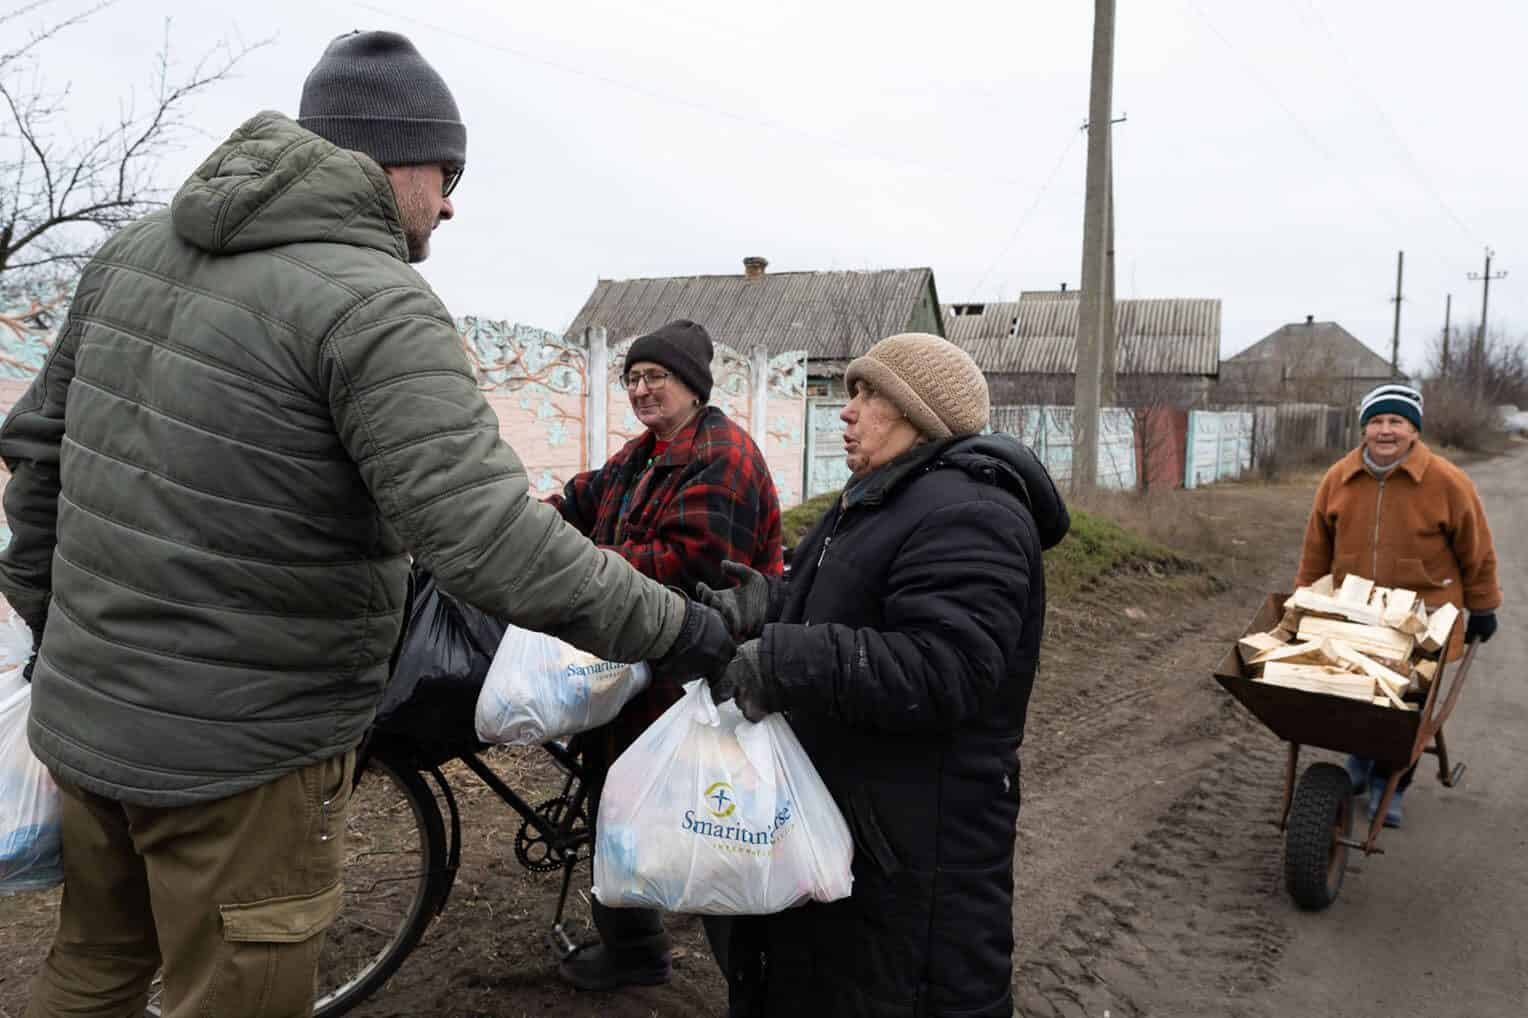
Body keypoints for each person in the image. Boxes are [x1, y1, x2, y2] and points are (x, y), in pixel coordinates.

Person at [0, 31, 732, 1018]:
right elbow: (485, 537)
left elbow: (38, 451)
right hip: (244, 762)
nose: (452, 202)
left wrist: (57, 631)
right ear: (397, 159)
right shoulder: (377, 302)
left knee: (91, 974)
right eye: (448, 172)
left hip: (87, 723)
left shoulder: (132, 253)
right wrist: (681, 629)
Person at [699, 333, 1069, 1018]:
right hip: (855, 827)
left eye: (867, 394)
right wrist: (766, 604)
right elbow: (843, 606)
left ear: (916, 410)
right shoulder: (880, 499)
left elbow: (944, 667)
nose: (847, 410)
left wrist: (782, 661)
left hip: (915, 853)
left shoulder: (973, 515)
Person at [546, 319, 784, 991]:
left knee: (707, 832)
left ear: (692, 387)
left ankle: (757, 984)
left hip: (702, 677)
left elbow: (691, 567)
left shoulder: (725, 457)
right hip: (641, 659)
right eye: (634, 378)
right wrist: (526, 531)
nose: (642, 389)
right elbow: (578, 501)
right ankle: (634, 951)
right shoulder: (643, 453)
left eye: (657, 377)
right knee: (615, 802)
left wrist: (585, 566)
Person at [1295, 381, 1501, 827]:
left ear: (1414, 431)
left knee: (1407, 705)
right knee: (1358, 694)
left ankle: (1392, 784)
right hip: (1358, 612)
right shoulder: (1339, 478)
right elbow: (1316, 548)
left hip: (1426, 618)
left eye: (1397, 422)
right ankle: (1358, 761)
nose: (1385, 431)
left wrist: (1482, 605)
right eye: (1377, 421)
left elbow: (1477, 550)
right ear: (1364, 428)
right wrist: (1305, 601)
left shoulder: (1447, 481)